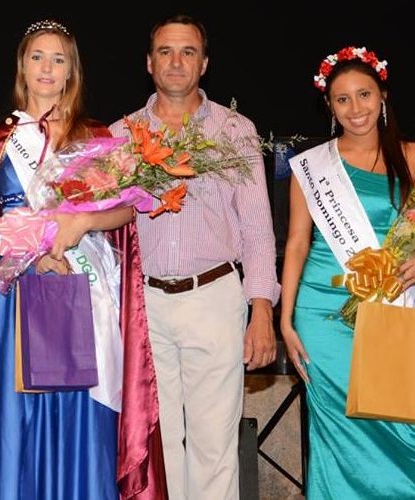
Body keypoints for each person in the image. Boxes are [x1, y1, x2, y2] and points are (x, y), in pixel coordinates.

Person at [0, 19, 165, 500]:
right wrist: (24, 247)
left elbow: (124, 211)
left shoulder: (96, 136)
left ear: (72, 70)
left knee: (81, 414)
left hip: (81, 291)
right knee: (15, 417)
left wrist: (80, 224)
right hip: (14, 297)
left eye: (58, 59)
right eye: (37, 57)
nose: (47, 68)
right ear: (22, 66)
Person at [109, 15, 279, 500]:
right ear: (149, 62)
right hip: (144, 305)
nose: (176, 61)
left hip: (214, 297)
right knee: (157, 446)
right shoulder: (121, 135)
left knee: (214, 447)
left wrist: (262, 309)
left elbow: (257, 230)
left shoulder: (234, 130)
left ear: (204, 63)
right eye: (165, 51)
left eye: (188, 52)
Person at [280, 46, 415, 498]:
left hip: (394, 308)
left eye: (364, 95)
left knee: (399, 425)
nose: (355, 108)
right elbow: (297, 242)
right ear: (330, 106)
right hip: (323, 314)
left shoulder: (411, 157)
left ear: (382, 97)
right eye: (342, 99)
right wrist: (285, 319)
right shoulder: (312, 168)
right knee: (338, 429)